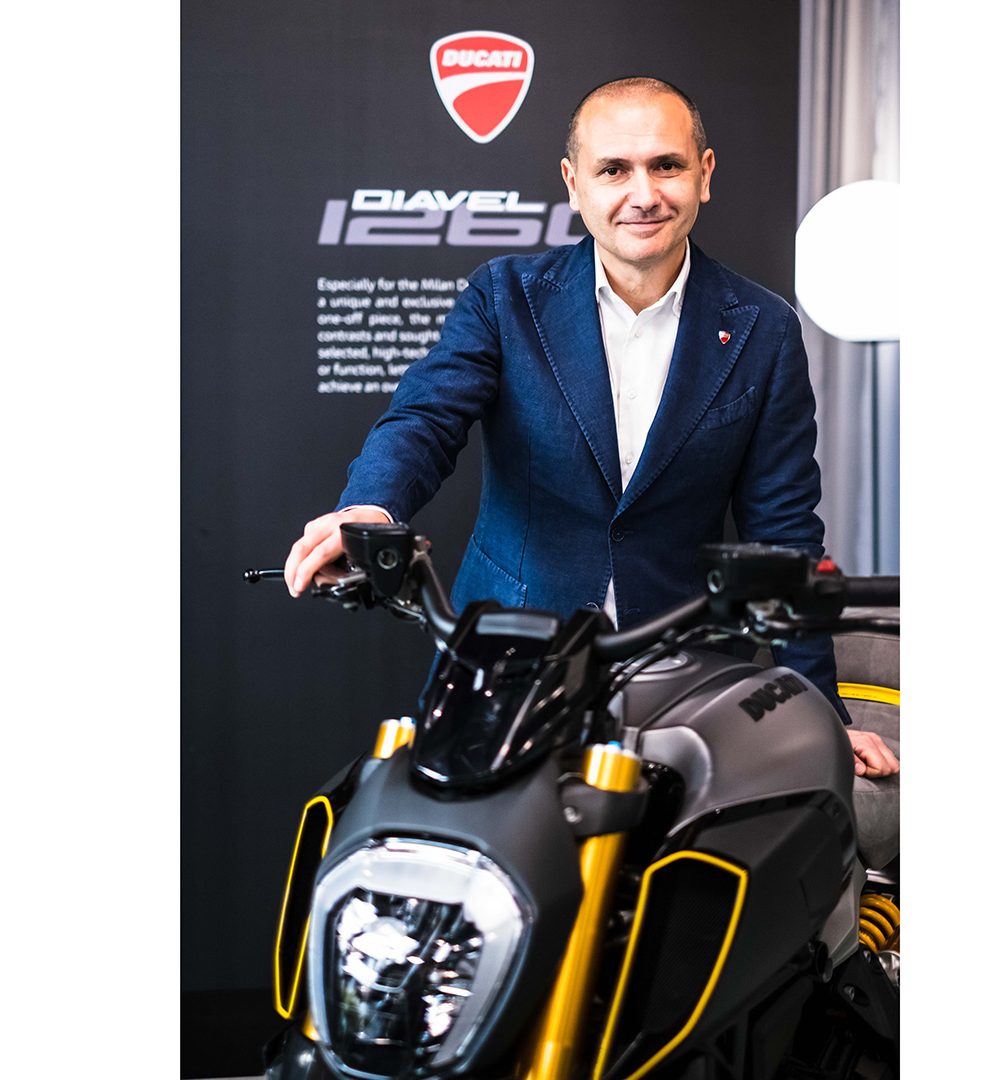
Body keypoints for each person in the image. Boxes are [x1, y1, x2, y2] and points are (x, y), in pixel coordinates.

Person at [285, 77, 898, 779]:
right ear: (573, 185)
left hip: (686, 676)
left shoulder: (764, 328)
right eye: (614, 170)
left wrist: (821, 711)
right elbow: (427, 417)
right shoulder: (504, 296)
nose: (644, 194)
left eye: (666, 165)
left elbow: (784, 531)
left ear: (704, 174)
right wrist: (371, 508)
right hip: (508, 663)